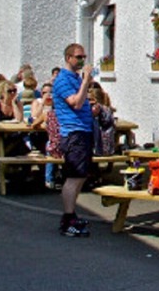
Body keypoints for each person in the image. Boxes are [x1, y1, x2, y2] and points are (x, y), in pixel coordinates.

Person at [53, 42, 94, 236]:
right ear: (69, 58)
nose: (82, 61)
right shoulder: (63, 80)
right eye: (78, 57)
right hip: (73, 133)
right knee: (73, 176)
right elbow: (75, 103)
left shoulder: (75, 79)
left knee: (81, 177)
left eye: (83, 57)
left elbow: (83, 102)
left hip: (84, 130)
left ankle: (72, 214)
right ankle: (67, 218)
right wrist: (86, 81)